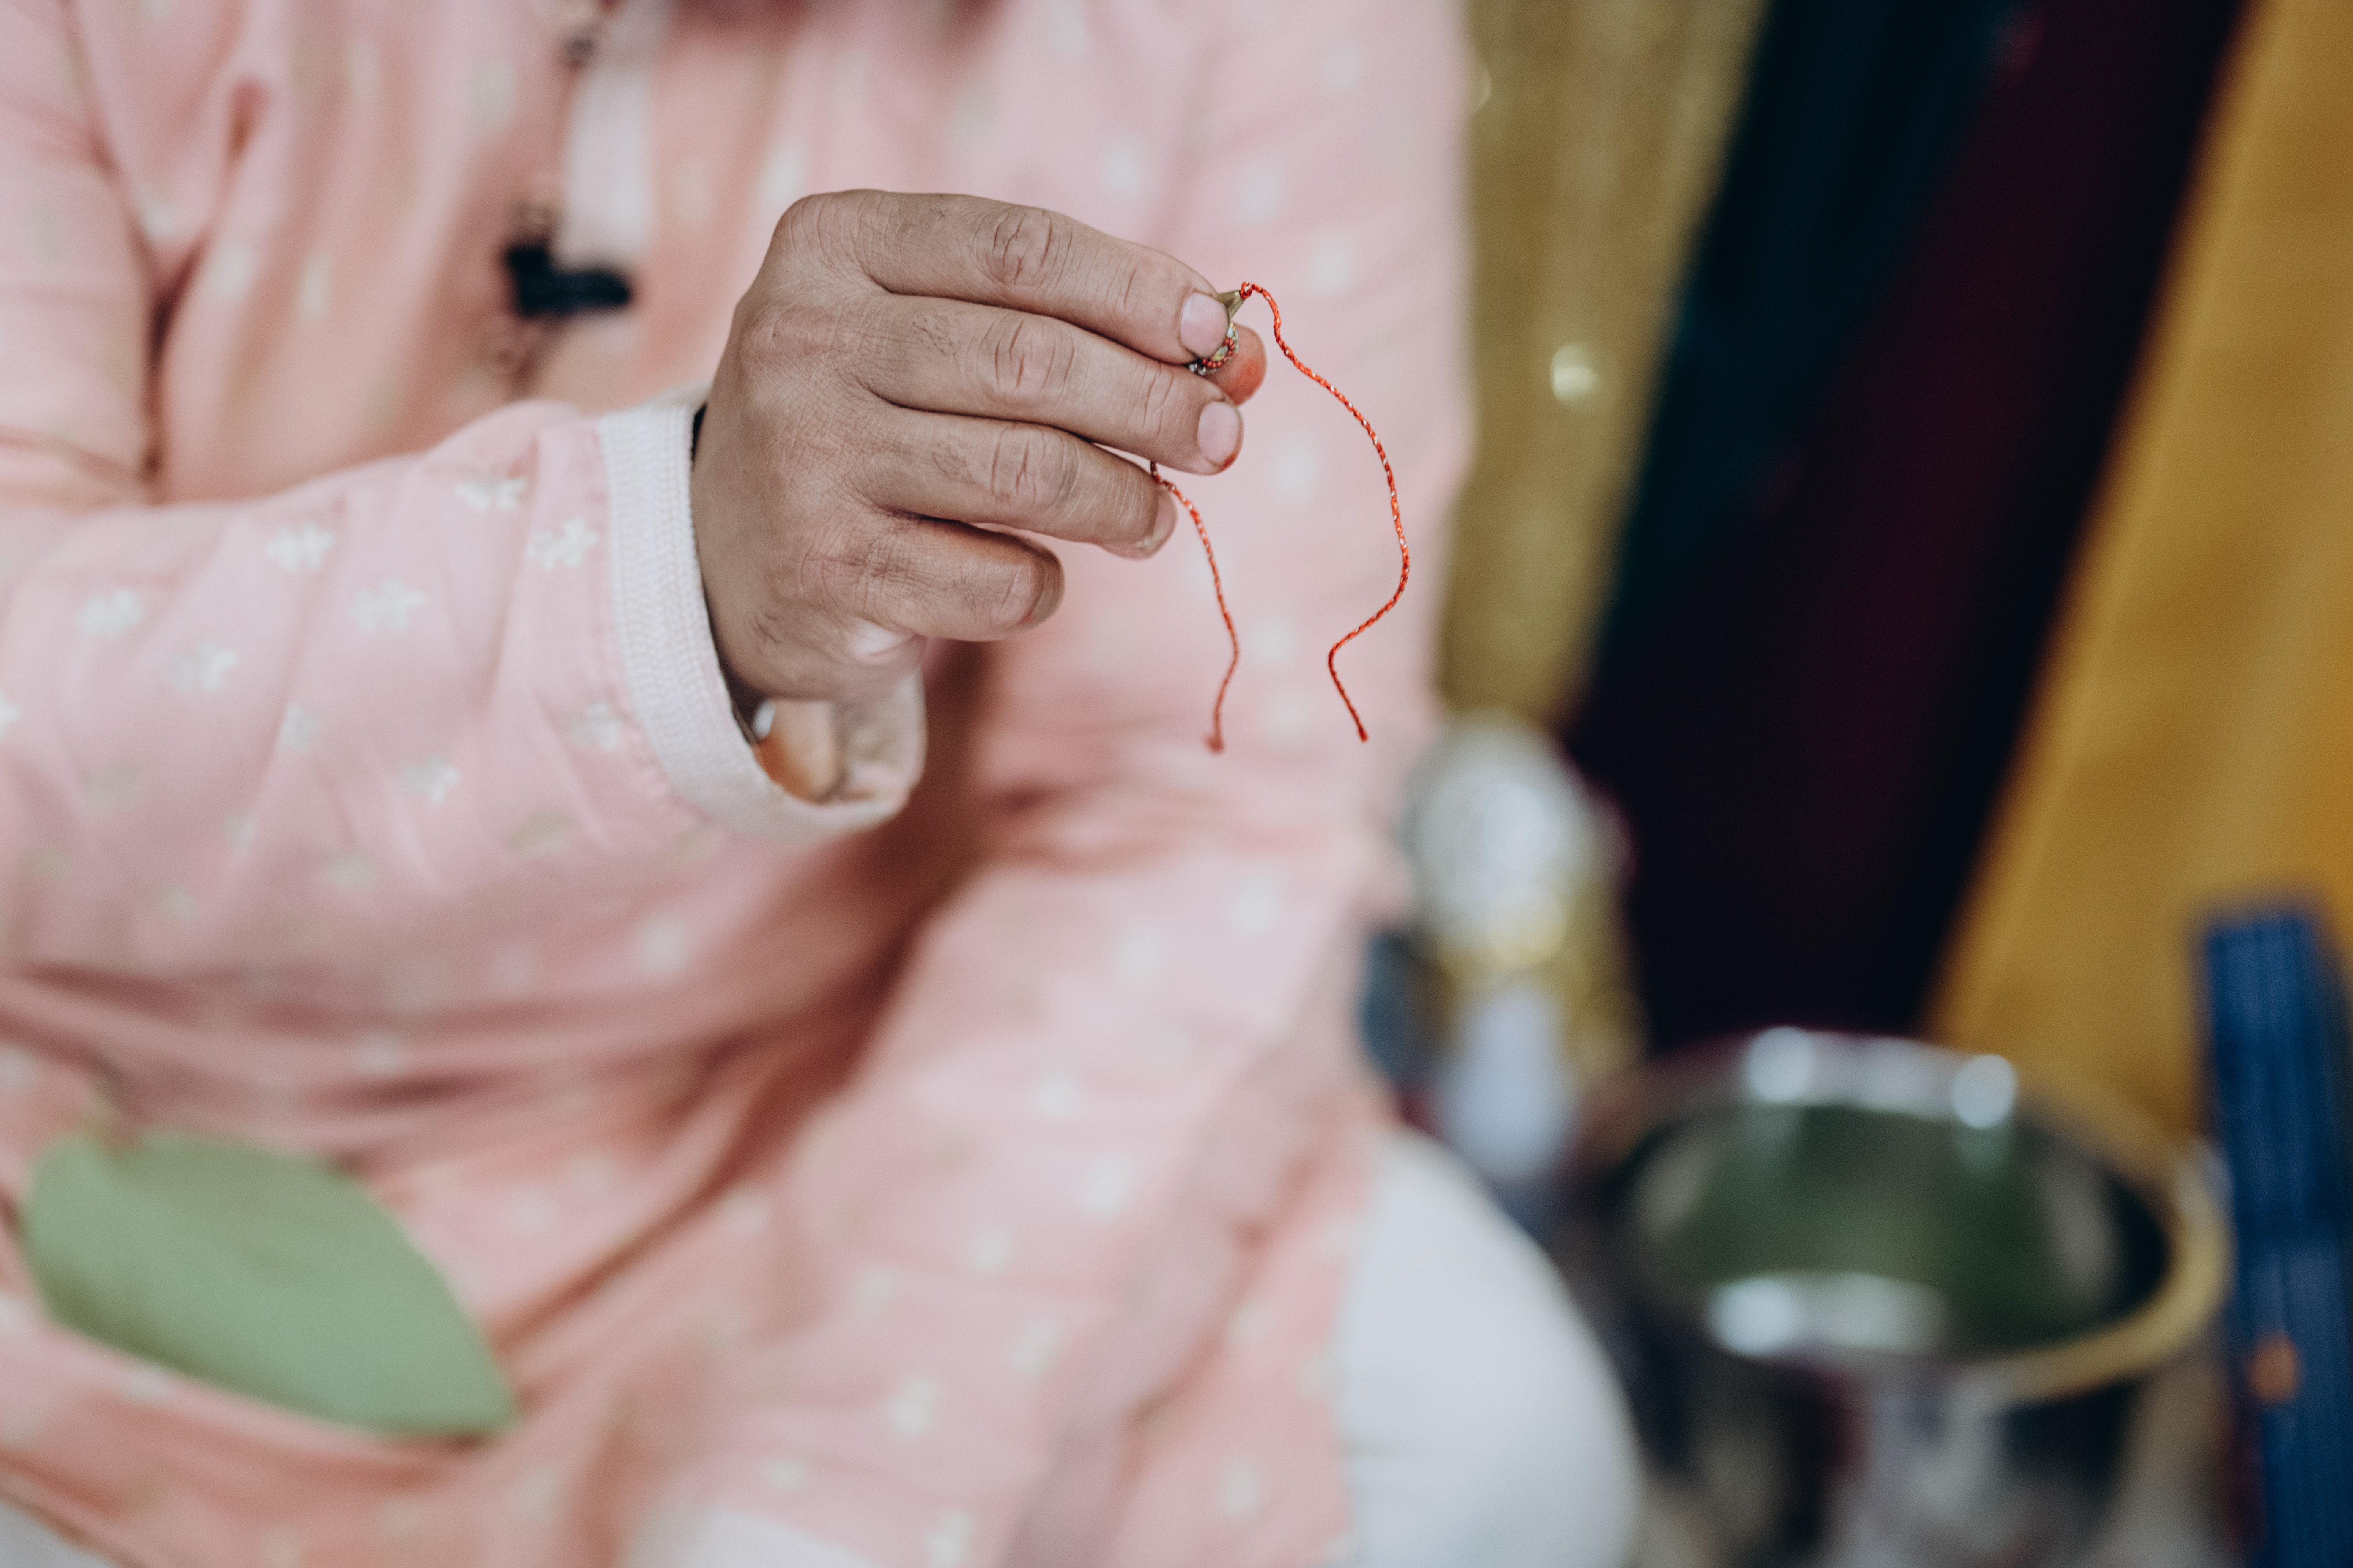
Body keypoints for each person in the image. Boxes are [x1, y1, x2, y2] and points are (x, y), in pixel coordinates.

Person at [0, 1, 1638, 1565]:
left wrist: (837, 1489)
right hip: (68, 1099)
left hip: (789, 1139)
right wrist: (668, 569)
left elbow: (1203, 822)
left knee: (1496, 1435)